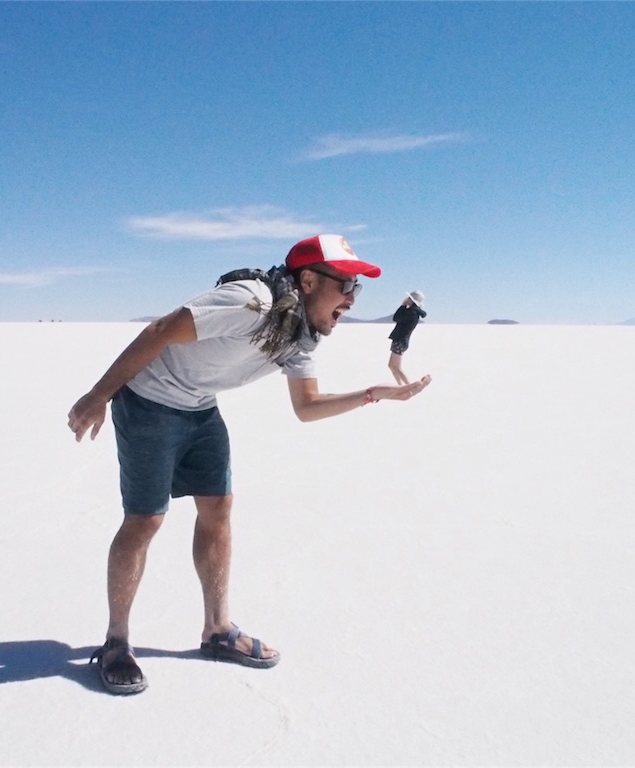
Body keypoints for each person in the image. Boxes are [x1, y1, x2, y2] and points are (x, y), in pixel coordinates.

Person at [67, 234, 432, 695]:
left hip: (199, 407)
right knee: (145, 520)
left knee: (218, 510)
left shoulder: (301, 335)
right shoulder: (251, 303)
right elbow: (159, 332)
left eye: (358, 290)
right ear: (308, 279)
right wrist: (98, 396)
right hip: (148, 402)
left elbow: (307, 406)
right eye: (346, 286)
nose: (352, 299)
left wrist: (374, 393)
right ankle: (116, 643)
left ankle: (217, 631)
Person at [387, 290, 427, 386]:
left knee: (396, 367)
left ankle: (410, 386)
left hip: (401, 341)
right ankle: (401, 386)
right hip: (399, 340)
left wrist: (402, 306)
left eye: (409, 298)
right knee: (392, 366)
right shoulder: (412, 312)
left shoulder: (411, 312)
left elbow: (396, 318)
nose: (407, 299)